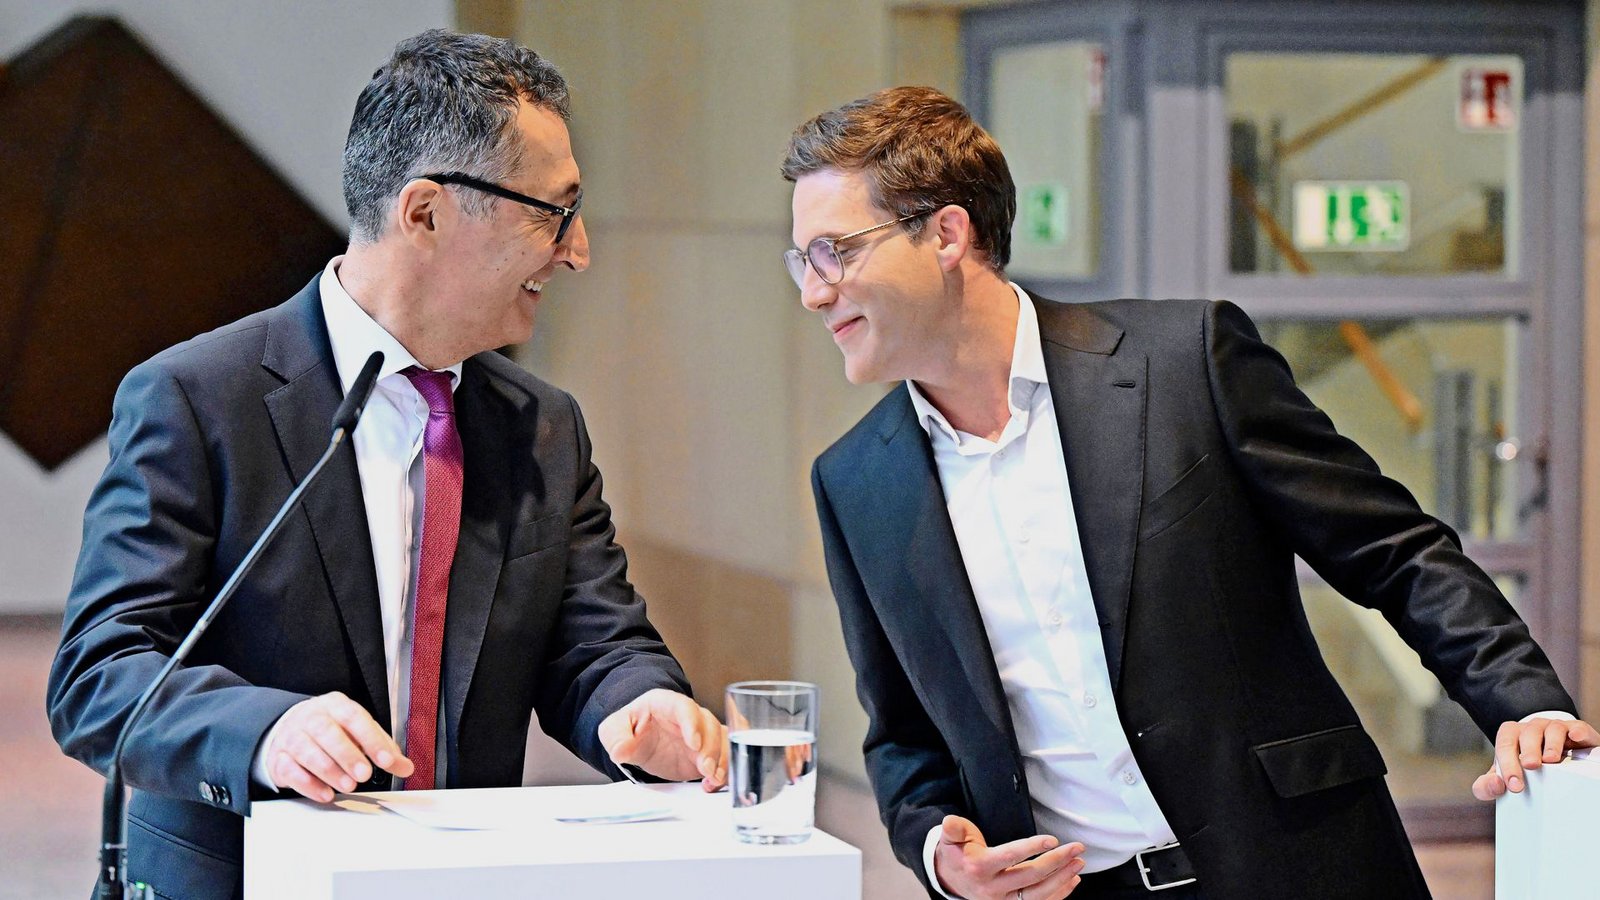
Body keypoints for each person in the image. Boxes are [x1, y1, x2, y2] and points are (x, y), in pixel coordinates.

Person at [784, 86, 1594, 900]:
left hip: (1299, 867)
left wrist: (1521, 702)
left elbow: (1395, 552)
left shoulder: (1184, 362)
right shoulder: (857, 482)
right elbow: (903, 737)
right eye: (802, 262)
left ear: (947, 233)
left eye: (835, 251)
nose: (814, 292)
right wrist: (937, 853)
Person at [47, 30, 726, 899]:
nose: (578, 249)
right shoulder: (197, 397)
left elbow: (594, 640)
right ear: (426, 212)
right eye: (552, 212)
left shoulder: (542, 427)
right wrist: (264, 728)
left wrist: (638, 704)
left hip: (460, 878)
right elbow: (101, 672)